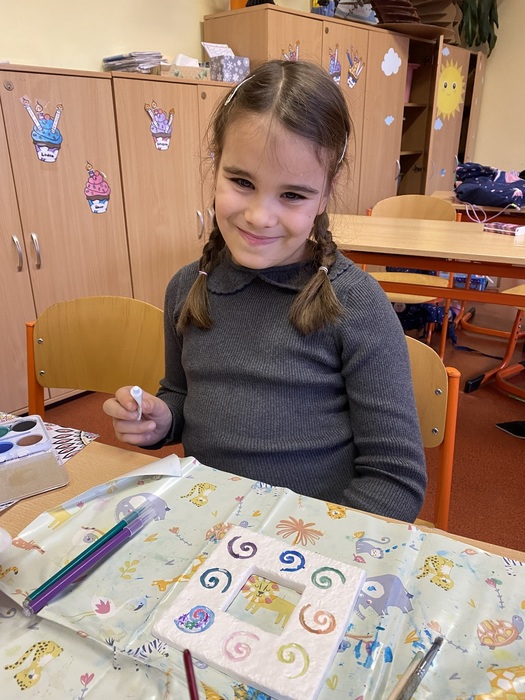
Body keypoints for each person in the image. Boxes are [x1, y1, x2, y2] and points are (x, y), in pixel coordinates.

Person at [103, 59, 427, 522]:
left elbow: (394, 479)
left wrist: (304, 542)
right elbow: (179, 394)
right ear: (216, 166)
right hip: (209, 523)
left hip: (308, 539)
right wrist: (163, 419)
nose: (259, 216)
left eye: (292, 195)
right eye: (241, 182)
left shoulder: (357, 305)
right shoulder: (187, 287)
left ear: (326, 192)